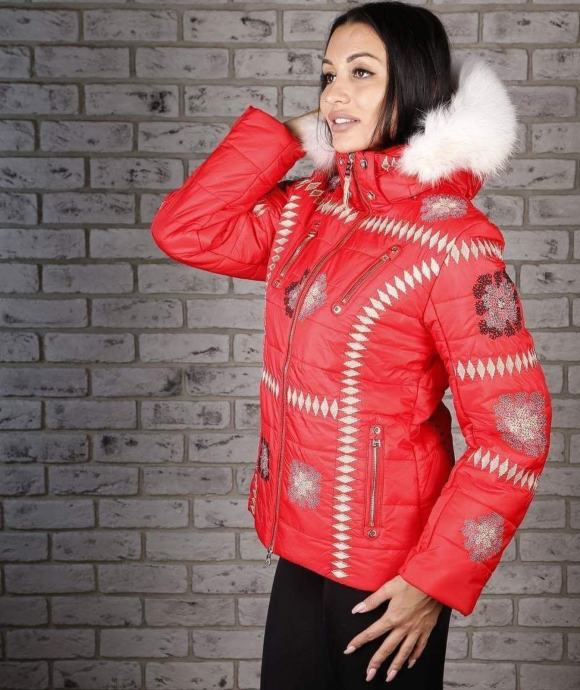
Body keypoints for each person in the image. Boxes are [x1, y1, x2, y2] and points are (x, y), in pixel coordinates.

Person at [150, 2, 553, 687]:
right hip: (300, 545)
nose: (335, 93)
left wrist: (432, 580)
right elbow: (186, 229)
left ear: (415, 84)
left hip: (390, 570)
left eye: (362, 73)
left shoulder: (456, 246)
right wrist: (289, 134)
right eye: (328, 75)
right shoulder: (310, 209)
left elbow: (516, 432)